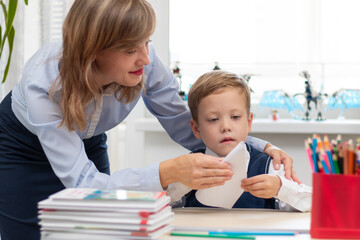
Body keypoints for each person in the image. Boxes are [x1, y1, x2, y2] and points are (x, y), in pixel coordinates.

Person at [0, 1, 297, 239]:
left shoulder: (145, 60)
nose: (145, 58)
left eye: (146, 43)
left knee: (102, 229)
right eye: (130, 49)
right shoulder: (45, 85)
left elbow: (189, 128)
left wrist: (257, 145)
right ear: (93, 52)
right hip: (21, 146)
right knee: (28, 233)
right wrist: (166, 172)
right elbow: (84, 184)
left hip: (88, 140)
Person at [179, 70, 312, 212]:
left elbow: (313, 202)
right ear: (196, 128)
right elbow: (161, 204)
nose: (226, 127)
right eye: (213, 119)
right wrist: (178, 185)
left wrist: (280, 188)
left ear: (249, 122)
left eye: (235, 117)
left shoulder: (270, 167)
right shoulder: (188, 166)